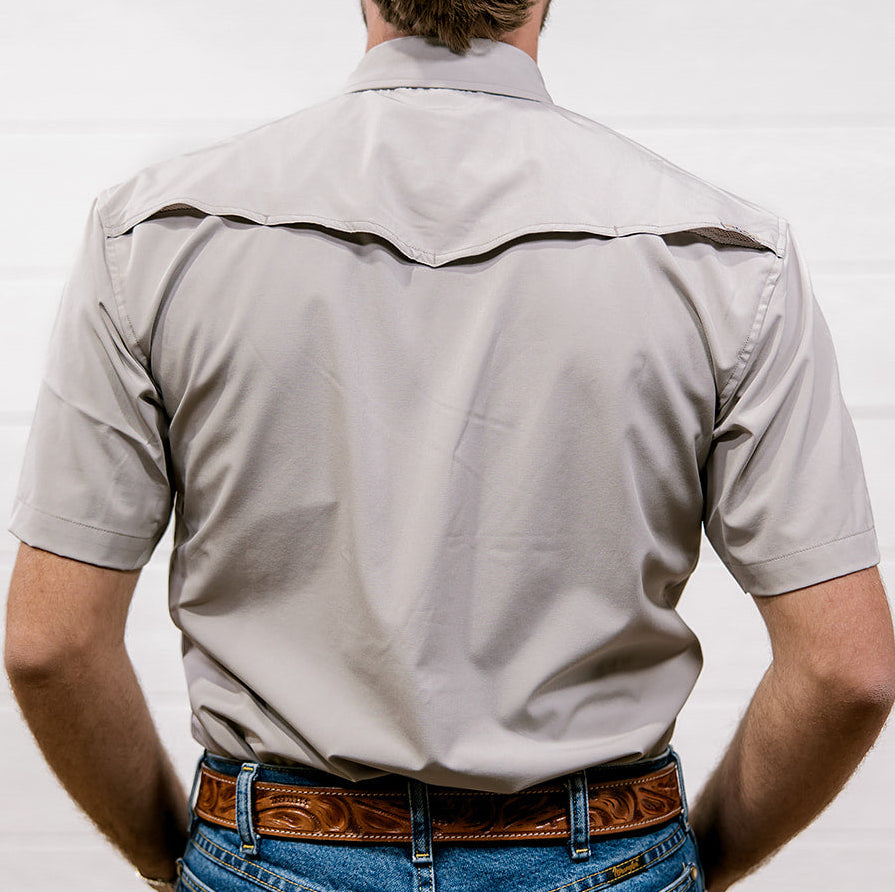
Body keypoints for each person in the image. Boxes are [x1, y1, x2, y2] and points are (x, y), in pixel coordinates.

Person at [5, 2, 895, 891]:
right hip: (611, 850)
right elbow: (844, 668)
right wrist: (683, 862)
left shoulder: (154, 239)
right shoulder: (728, 260)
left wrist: (191, 858)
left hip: (269, 850)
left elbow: (49, 645)